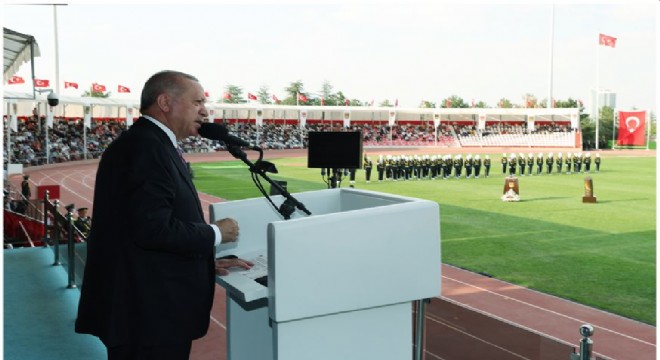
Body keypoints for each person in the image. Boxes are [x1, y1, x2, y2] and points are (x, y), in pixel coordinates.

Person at [75, 70, 253, 360]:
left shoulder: (150, 143)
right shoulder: (146, 147)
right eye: (197, 102)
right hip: (147, 317)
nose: (205, 111)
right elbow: (152, 229)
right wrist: (216, 233)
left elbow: (140, 231)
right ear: (165, 102)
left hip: (147, 311)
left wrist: (203, 262)